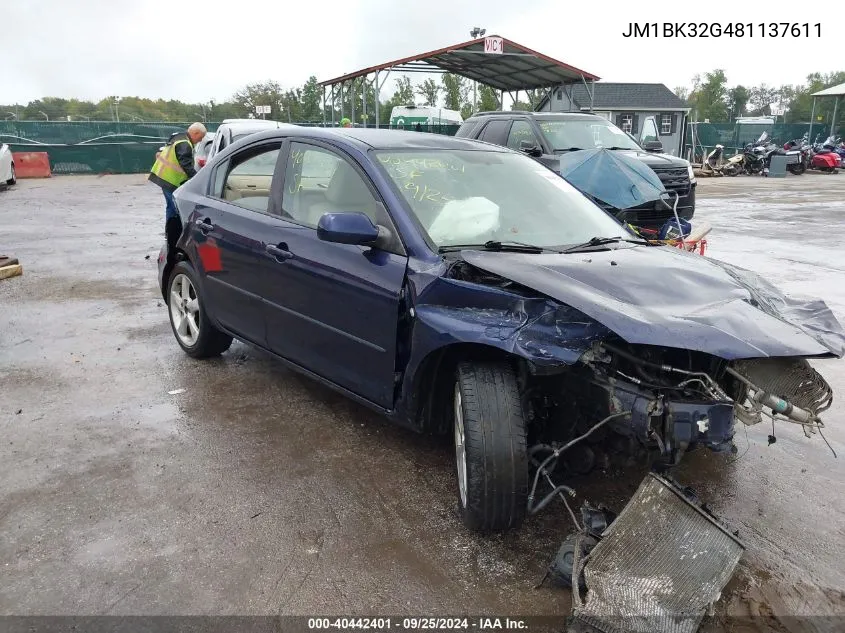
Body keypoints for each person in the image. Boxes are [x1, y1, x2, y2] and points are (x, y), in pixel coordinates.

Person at [149, 122, 207, 243]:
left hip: (164, 176)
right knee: (174, 208)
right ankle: (172, 233)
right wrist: (197, 180)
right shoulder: (184, 144)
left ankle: (170, 232)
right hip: (170, 179)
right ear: (195, 133)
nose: (200, 141)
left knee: (171, 207)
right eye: (200, 137)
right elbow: (186, 165)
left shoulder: (179, 137)